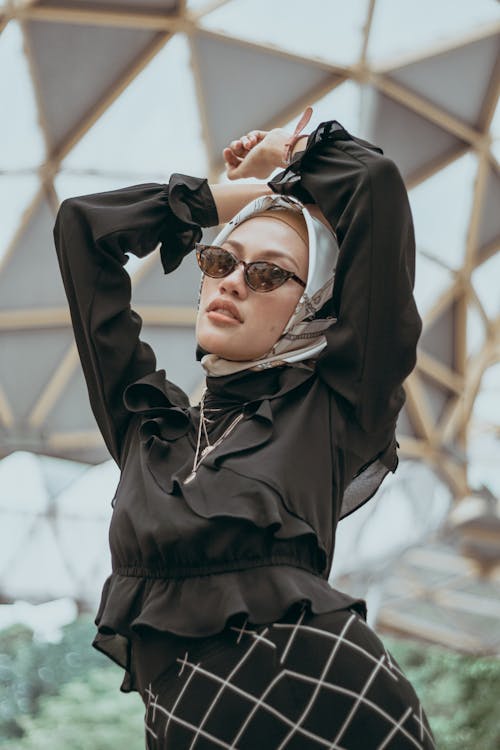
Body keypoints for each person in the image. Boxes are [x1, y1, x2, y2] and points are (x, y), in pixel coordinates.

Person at [53, 108, 435, 749]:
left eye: (267, 274)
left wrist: (287, 159)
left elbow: (375, 185)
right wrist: (225, 197)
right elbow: (82, 227)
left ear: (316, 307)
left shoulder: (336, 406)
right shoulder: (147, 431)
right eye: (219, 260)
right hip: (186, 729)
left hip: (335, 707)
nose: (231, 283)